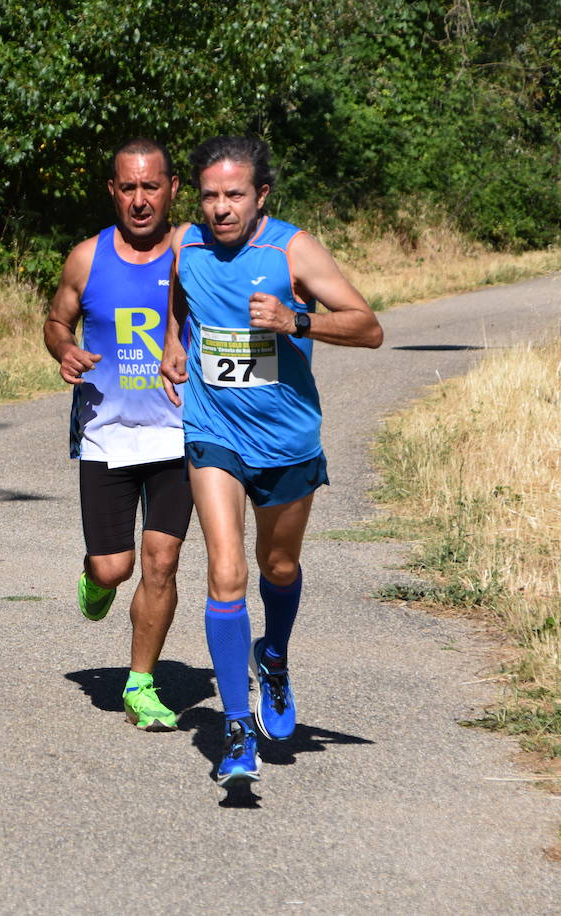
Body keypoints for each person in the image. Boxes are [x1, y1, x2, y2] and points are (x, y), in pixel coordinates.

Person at [158, 136, 382, 785]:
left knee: (276, 566)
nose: (220, 208)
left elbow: (368, 327)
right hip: (212, 429)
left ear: (261, 195)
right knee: (225, 572)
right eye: (209, 195)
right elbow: (178, 303)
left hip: (287, 440)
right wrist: (175, 345)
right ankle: (235, 727)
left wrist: (297, 322)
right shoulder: (185, 244)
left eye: (234, 195)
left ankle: (274, 658)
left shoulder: (292, 249)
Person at [44, 138, 193, 731]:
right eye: (127, 187)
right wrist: (65, 349)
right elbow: (57, 320)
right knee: (115, 567)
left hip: (178, 433)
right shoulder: (86, 256)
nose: (139, 200)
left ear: (172, 188)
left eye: (150, 186)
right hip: (106, 433)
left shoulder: (192, 252)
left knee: (163, 562)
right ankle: (95, 576)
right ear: (112, 190)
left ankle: (141, 684)